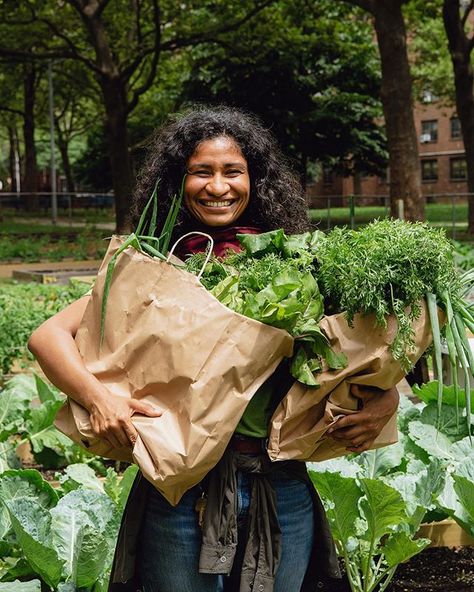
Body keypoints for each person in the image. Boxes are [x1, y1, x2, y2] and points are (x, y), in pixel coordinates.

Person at [29, 105, 399, 592]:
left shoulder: (298, 262)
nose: (218, 186)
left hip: (280, 484)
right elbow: (48, 337)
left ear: (256, 180)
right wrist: (101, 399)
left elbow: (363, 358)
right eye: (201, 171)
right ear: (177, 181)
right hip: (180, 488)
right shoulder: (157, 266)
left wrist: (386, 401)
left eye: (233, 172)